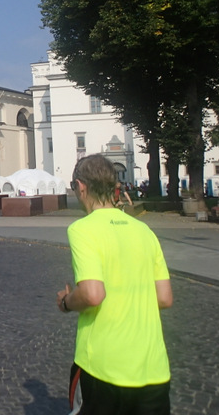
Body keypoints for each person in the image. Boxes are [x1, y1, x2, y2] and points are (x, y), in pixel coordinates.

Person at [57, 154, 172, 415]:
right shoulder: (144, 230)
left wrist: (65, 302)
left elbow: (92, 294)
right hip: (152, 368)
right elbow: (164, 298)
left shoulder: (83, 229)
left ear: (81, 186)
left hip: (103, 366)